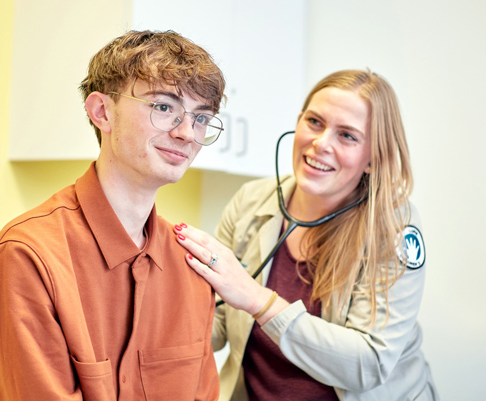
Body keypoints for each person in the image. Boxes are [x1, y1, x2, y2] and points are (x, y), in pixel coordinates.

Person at [0, 30, 226, 400]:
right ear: (102, 112)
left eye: (201, 118)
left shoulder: (191, 265)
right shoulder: (26, 256)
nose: (187, 133)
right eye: (164, 107)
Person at [174, 69, 439, 400]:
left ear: (373, 158)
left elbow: (368, 364)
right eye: (315, 122)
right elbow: (218, 323)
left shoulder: (395, 229)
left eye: (347, 136)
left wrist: (259, 301)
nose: (321, 143)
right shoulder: (250, 202)